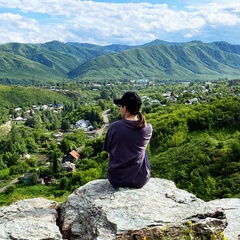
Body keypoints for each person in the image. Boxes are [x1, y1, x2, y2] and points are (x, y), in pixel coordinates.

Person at [103, 91, 152, 188]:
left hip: (117, 179)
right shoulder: (147, 128)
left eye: (120, 106)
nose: (120, 109)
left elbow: (110, 155)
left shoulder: (114, 127)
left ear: (125, 108)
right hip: (140, 180)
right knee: (141, 150)